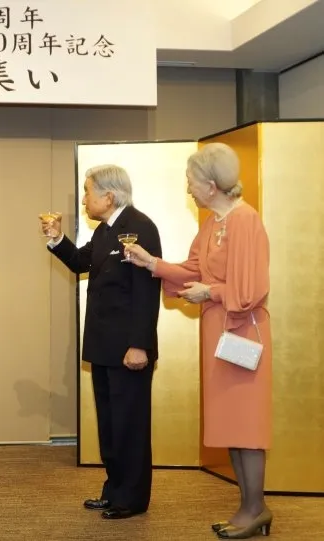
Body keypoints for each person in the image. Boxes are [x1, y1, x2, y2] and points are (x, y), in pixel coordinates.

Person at [124, 143, 273, 539]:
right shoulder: (211, 225)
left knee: (247, 425)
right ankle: (249, 506)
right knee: (230, 424)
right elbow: (192, 270)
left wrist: (209, 293)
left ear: (210, 183)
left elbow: (251, 288)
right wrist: (151, 263)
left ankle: (254, 508)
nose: (187, 188)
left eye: (191, 180)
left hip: (243, 335)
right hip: (218, 333)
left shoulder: (246, 221)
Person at [41, 165, 162, 520]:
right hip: (103, 346)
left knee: (130, 424)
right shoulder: (106, 231)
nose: (83, 199)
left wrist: (139, 344)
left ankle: (133, 499)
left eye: (87, 191)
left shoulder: (140, 227)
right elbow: (81, 261)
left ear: (108, 196)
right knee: (110, 423)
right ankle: (114, 490)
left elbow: (145, 291)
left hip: (129, 348)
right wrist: (56, 238)